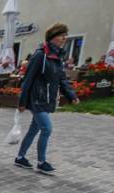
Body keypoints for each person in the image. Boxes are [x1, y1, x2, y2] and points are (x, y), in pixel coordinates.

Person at [14, 22, 79, 175]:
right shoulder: (40, 55)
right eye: (62, 35)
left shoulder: (57, 56)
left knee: (33, 130)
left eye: (65, 35)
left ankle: (20, 157)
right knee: (47, 128)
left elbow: (62, 79)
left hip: (47, 99)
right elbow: (28, 79)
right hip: (37, 99)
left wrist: (72, 95)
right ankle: (41, 162)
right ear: (53, 37)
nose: (65, 38)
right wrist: (22, 101)